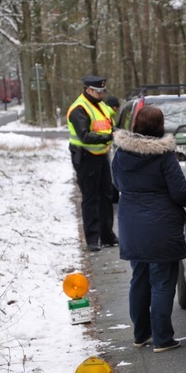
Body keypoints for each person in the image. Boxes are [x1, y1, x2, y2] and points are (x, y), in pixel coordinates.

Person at [111, 105, 186, 353]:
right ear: (160, 127)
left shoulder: (121, 153)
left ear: (136, 125)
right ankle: (162, 339)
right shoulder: (164, 156)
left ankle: (140, 334)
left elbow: (116, 185)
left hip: (131, 226)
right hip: (161, 227)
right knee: (163, 282)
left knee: (139, 279)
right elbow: (181, 194)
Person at [67, 75, 119, 252]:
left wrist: (116, 133)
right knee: (90, 198)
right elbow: (84, 136)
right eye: (98, 91)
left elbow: (107, 125)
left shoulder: (100, 105)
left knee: (107, 196)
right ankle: (92, 239)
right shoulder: (79, 109)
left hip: (101, 155)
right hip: (86, 158)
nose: (102, 94)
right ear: (88, 90)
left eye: (103, 91)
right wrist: (109, 137)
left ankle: (107, 236)